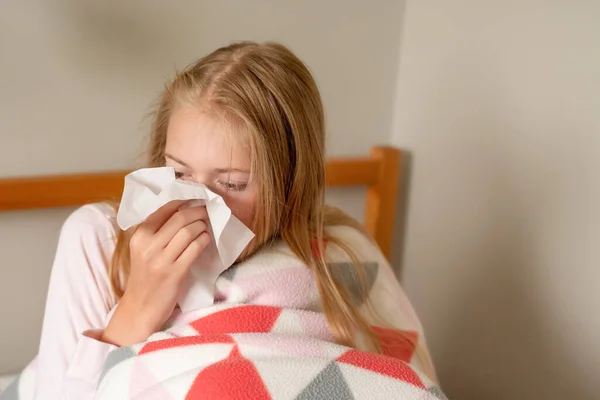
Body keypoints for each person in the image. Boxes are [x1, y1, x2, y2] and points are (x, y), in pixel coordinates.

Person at [31, 41, 437, 399]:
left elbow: (401, 376)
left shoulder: (337, 247)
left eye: (232, 183)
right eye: (180, 173)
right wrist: (137, 306)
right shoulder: (99, 240)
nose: (200, 201)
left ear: (290, 186)